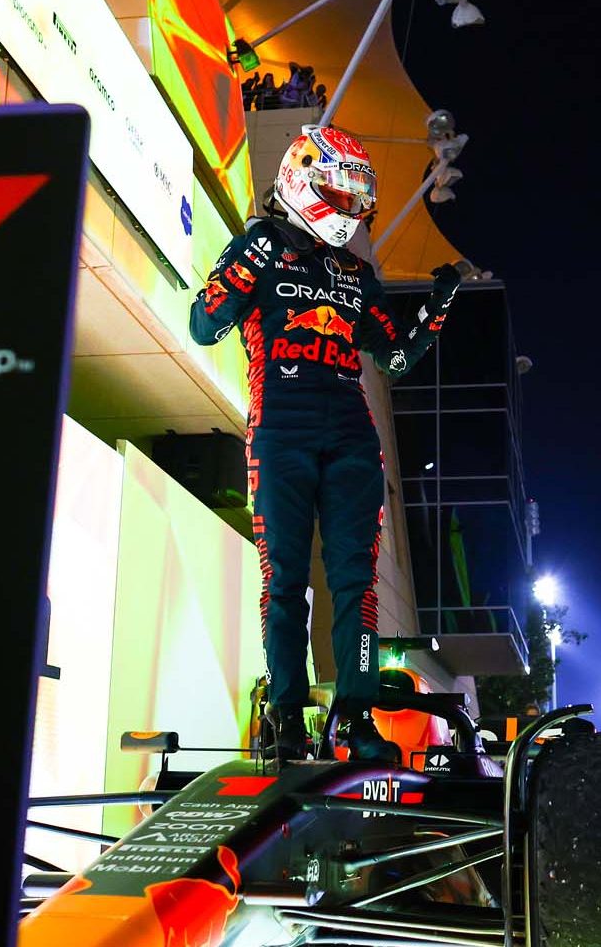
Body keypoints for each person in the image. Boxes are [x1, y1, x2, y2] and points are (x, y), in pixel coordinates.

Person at [192, 124, 467, 762]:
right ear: (301, 180)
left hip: (350, 434)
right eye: (337, 192)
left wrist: (436, 311)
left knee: (357, 584)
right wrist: (250, 260)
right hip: (280, 430)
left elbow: (392, 361)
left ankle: (356, 717)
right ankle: (286, 717)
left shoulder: (356, 270)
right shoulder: (260, 243)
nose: (349, 208)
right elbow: (204, 324)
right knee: (284, 580)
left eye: (356, 196)